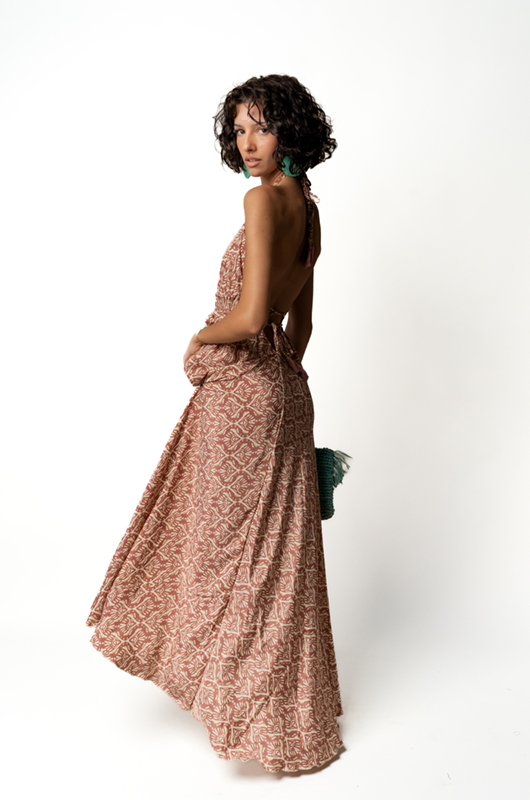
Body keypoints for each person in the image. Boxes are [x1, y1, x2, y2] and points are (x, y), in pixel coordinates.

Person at [86, 74, 343, 773]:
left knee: (223, 552)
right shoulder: (311, 211)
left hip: (243, 394)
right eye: (237, 131)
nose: (248, 143)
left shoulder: (261, 202)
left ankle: (240, 712)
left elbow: (253, 316)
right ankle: (284, 720)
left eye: (259, 126)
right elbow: (302, 324)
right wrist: (280, 384)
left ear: (288, 129)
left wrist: (201, 342)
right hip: (287, 391)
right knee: (276, 557)